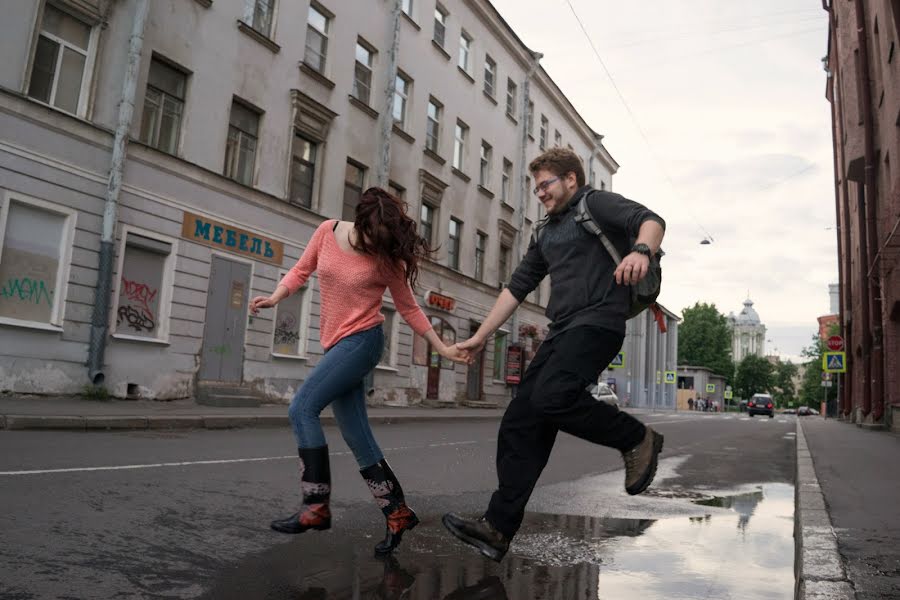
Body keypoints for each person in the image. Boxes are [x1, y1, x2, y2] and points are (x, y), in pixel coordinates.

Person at [442, 147, 667, 562]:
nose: (540, 193)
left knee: (552, 396)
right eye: (536, 187)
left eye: (545, 184)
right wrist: (481, 337)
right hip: (562, 330)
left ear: (570, 180)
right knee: (521, 420)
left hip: (599, 323)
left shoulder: (594, 204)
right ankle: (497, 527)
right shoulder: (545, 232)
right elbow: (517, 285)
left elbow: (651, 221)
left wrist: (642, 251)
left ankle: (637, 438)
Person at [250, 187, 466, 555]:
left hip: (362, 342)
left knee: (302, 408)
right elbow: (302, 269)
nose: (372, 245)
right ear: (360, 220)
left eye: (379, 241)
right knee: (356, 436)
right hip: (336, 344)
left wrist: (442, 346)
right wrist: (276, 296)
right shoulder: (327, 231)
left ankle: (315, 507)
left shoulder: (386, 259)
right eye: (369, 236)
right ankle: (397, 513)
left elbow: (410, 308)